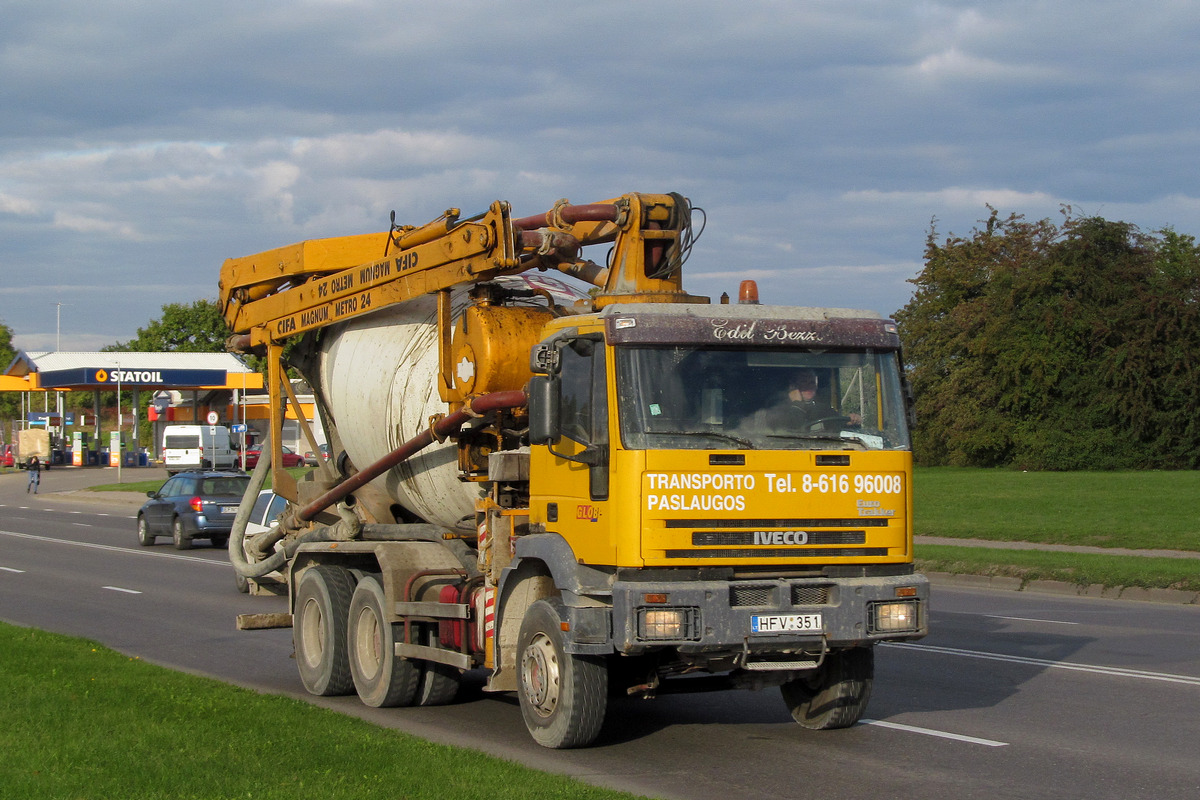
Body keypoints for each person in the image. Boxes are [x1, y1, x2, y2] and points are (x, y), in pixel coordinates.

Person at [745, 369, 861, 433]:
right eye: (803, 382)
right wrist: (797, 404)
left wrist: (850, 423)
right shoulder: (776, 411)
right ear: (793, 386)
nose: (808, 386)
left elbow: (837, 431)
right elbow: (793, 433)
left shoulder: (824, 409)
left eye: (811, 383)